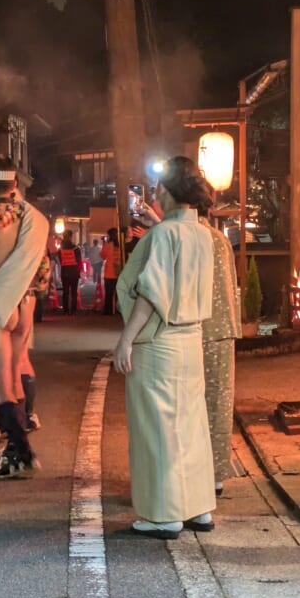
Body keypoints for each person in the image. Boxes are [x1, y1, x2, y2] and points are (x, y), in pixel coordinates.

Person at [113, 156, 216, 539]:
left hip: (159, 341)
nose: (154, 193)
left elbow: (151, 292)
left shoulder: (162, 236)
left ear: (169, 192)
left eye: (158, 188)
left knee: (157, 428)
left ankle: (163, 514)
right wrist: (157, 228)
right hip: (192, 340)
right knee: (190, 424)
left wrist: (126, 340)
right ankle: (199, 508)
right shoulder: (202, 233)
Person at [0, 155, 49, 477]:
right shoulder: (32, 218)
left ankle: (21, 450)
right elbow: (42, 269)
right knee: (14, 378)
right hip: (24, 303)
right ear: (15, 183)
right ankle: (13, 450)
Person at [197, 186, 241, 496]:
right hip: (224, 326)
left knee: (195, 404)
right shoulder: (219, 237)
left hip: (199, 328)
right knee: (218, 401)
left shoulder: (189, 235)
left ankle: (200, 475)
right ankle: (215, 475)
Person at [59, 230, 82, 315]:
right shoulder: (76, 248)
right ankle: (73, 310)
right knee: (74, 292)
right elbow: (79, 260)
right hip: (74, 272)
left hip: (65, 272)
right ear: (71, 237)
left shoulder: (61, 249)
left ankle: (65, 310)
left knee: (65, 292)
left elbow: (60, 260)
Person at [101, 228, 122, 314]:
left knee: (109, 294)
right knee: (119, 294)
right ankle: (118, 311)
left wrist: (104, 243)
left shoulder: (108, 245)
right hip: (120, 273)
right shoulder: (122, 245)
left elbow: (102, 255)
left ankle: (108, 311)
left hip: (109, 273)